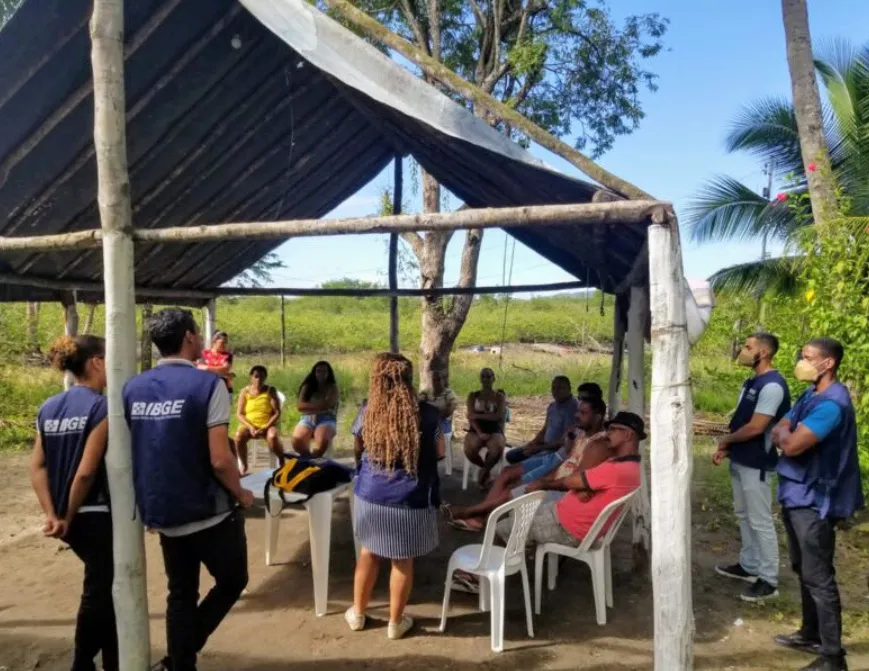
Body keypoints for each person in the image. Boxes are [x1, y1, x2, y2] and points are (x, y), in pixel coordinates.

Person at [124, 308, 253, 671]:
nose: (199, 338)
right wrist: (241, 493)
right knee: (232, 580)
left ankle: (180, 662)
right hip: (207, 510)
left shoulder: (132, 387)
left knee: (180, 593)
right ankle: (181, 654)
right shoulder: (208, 385)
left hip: (162, 510)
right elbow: (219, 458)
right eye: (196, 333)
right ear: (188, 338)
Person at [770, 338, 863, 671]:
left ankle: (833, 658)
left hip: (815, 500)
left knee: (819, 576)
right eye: (802, 355)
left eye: (808, 357)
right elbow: (781, 425)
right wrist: (783, 433)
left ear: (828, 364)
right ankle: (810, 633)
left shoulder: (832, 405)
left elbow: (792, 443)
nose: (801, 361)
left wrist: (784, 436)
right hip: (797, 495)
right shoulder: (811, 395)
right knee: (802, 567)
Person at [30, 335, 118, 671]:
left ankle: (113, 659)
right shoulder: (102, 407)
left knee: (107, 589)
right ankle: (82, 662)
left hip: (68, 520)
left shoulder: (48, 407)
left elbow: (37, 466)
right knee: (99, 590)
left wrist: (52, 514)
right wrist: (67, 513)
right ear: (96, 362)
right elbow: (85, 472)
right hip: (93, 513)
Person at [345, 353, 445, 640]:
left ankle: (358, 614)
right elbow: (439, 452)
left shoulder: (367, 411)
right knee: (402, 561)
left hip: (370, 495)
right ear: (409, 379)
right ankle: (395, 623)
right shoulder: (427, 414)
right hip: (409, 499)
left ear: (376, 380)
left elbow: (358, 444)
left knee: (369, 553)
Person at [446, 395, 607, 531]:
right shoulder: (580, 434)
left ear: (598, 416)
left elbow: (578, 480)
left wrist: (545, 483)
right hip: (555, 481)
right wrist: (544, 478)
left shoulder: (598, 445)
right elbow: (564, 465)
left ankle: (470, 513)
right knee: (513, 482)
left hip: (564, 493)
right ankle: (476, 516)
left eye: (583, 412)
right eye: (578, 411)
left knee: (512, 492)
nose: (577, 415)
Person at [713, 332, 791, 602]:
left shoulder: (773, 386)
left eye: (748, 347)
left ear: (765, 353)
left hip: (757, 461)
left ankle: (768, 579)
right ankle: (749, 565)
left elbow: (757, 427)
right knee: (743, 514)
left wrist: (726, 440)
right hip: (741, 458)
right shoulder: (751, 382)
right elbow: (741, 421)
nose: (742, 351)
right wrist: (727, 447)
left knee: (760, 520)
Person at [495, 411, 644, 548]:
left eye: (613, 429)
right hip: (566, 516)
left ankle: (492, 571)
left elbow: (572, 480)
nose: (607, 433)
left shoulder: (616, 469)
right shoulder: (631, 466)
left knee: (500, 528)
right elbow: (582, 486)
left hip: (567, 528)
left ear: (628, 435)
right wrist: (583, 488)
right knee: (519, 510)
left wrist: (544, 483)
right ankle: (520, 554)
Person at [504, 375, 580, 465]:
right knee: (511, 455)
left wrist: (539, 449)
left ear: (569, 389)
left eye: (560, 388)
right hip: (544, 445)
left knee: (520, 466)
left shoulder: (572, 408)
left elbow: (563, 442)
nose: (555, 391)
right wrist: (533, 443)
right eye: (553, 387)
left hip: (555, 451)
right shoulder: (552, 406)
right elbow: (544, 430)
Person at [463, 368, 507, 487]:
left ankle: (484, 472)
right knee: (469, 449)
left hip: (495, 429)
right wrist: (480, 432)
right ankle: (485, 470)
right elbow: (471, 418)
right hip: (476, 428)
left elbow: (498, 417)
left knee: (496, 448)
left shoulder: (499, 397)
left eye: (488, 376)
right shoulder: (473, 396)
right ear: (480, 379)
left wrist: (477, 415)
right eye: (483, 376)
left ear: (493, 379)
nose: (486, 379)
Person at [234, 365, 282, 474]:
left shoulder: (270, 390)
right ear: (251, 377)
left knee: (273, 437)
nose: (258, 379)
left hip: (267, 424)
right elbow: (239, 414)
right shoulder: (245, 391)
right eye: (256, 376)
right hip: (249, 425)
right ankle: (244, 464)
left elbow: (277, 412)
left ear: (265, 377)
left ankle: (281, 459)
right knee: (238, 436)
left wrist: (266, 426)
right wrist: (250, 427)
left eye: (261, 377)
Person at [291, 360, 340, 458]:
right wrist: (318, 407)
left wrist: (308, 406)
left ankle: (315, 460)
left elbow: (326, 404)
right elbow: (299, 406)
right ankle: (308, 458)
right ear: (314, 373)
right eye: (318, 371)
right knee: (296, 441)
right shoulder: (307, 387)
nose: (321, 374)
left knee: (322, 440)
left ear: (329, 373)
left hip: (327, 418)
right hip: (308, 418)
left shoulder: (332, 388)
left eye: (324, 371)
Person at [419, 370, 458, 440]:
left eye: (439, 380)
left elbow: (448, 412)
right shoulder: (427, 392)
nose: (436, 382)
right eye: (434, 380)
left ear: (443, 381)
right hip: (428, 423)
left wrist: (431, 412)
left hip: (443, 424)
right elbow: (419, 402)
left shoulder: (449, 394)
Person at [198, 330, 234, 395]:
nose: (225, 345)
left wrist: (206, 368)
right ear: (214, 341)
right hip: (206, 387)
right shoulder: (204, 353)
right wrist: (219, 371)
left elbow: (224, 369)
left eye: (226, 343)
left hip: (223, 388)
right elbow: (199, 368)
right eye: (222, 342)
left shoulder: (227, 355)